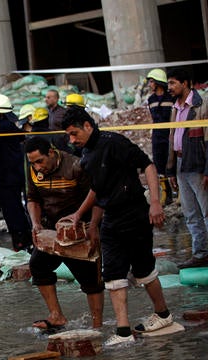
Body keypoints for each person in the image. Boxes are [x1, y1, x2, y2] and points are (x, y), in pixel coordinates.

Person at [62, 106, 172, 346]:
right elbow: (99, 189)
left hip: (134, 212)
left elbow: (149, 165)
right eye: (68, 135)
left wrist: (155, 202)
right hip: (110, 217)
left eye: (74, 133)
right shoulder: (88, 155)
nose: (71, 140)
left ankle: (163, 314)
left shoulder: (114, 143)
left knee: (143, 270)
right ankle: (124, 332)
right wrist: (85, 218)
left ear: (87, 126)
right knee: (112, 274)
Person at [24, 136, 104, 331]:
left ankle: (97, 325)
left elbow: (97, 198)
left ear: (51, 153)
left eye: (40, 161)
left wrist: (93, 227)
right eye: (32, 163)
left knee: (90, 280)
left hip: (78, 230)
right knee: (38, 266)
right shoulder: (34, 172)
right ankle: (56, 315)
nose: (36, 167)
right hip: (50, 229)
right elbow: (32, 199)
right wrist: (35, 224)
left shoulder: (76, 166)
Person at [165, 68, 208, 268]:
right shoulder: (175, 108)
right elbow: (172, 138)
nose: (169, 87)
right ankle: (201, 254)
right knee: (191, 212)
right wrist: (171, 169)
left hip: (198, 163)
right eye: (168, 83)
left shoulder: (201, 105)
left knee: (206, 210)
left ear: (185, 83)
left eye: (173, 83)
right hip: (182, 163)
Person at [0, 94, 33, 251]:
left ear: (0, 112)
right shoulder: (4, 125)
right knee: (10, 212)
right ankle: (20, 241)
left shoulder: (6, 126)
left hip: (10, 178)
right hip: (5, 177)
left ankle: (23, 242)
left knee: (14, 212)